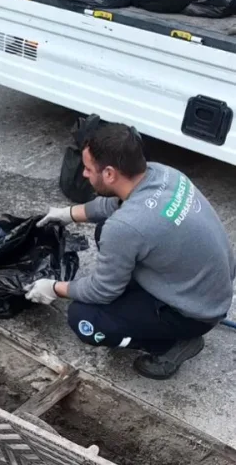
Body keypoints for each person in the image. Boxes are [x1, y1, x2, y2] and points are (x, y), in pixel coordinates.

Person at [26, 122, 235, 380]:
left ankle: (175, 344)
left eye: (89, 169)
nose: (84, 175)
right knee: (106, 228)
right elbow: (115, 202)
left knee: (84, 319)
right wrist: (68, 214)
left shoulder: (127, 227)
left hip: (194, 312)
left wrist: (53, 287)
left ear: (110, 173)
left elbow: (102, 291)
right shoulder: (163, 174)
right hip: (209, 284)